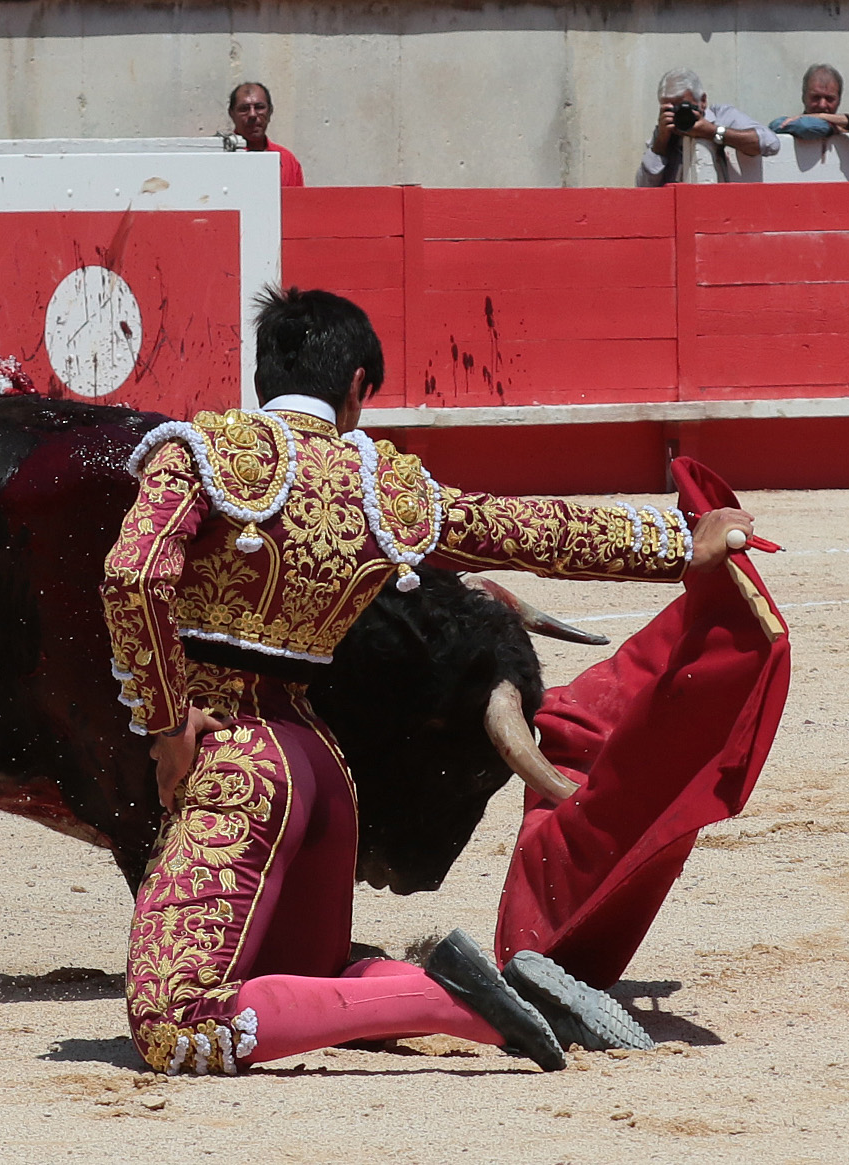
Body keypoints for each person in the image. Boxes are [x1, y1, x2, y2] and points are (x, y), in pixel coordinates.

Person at [102, 286, 754, 1075]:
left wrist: (170, 726)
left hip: (237, 767)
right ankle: (485, 990)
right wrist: (678, 541)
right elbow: (525, 529)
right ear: (355, 391)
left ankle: (468, 1006)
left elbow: (132, 577)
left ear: (262, 377)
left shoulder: (203, 453)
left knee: (176, 1023)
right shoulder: (388, 489)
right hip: (319, 774)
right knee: (307, 979)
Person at [637, 68, 779, 186]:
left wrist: (712, 131)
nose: (678, 114)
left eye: (683, 106)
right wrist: (661, 143)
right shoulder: (664, 132)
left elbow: (770, 143)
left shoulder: (721, 116)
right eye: (670, 109)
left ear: (703, 101)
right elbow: (643, 187)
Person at [769, 64, 849, 143]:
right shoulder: (786, 123)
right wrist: (834, 128)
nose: (822, 105)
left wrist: (822, 117)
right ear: (803, 97)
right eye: (815, 97)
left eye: (829, 99)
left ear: (839, 100)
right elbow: (807, 127)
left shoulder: (844, 125)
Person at [227, 82, 303, 188]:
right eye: (244, 109)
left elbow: (297, 203)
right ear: (231, 114)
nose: (252, 114)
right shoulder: (219, 159)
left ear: (270, 111)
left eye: (259, 107)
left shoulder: (288, 161)